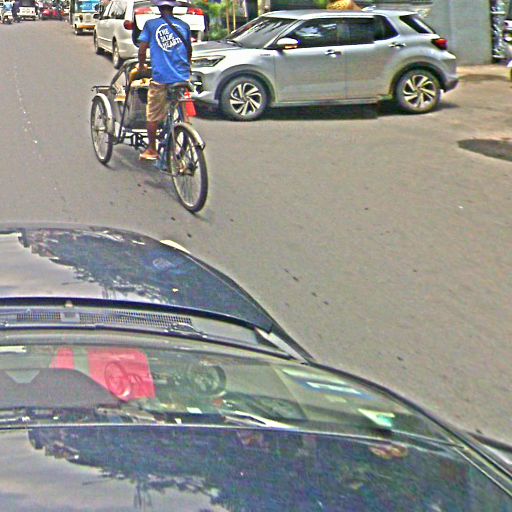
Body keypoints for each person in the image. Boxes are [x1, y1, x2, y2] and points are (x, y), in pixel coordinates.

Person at [136, 0, 192, 161]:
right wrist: (187, 68)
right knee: (181, 105)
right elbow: (189, 50)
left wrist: (142, 67)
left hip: (161, 77)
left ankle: (152, 149)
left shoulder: (151, 25)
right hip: (182, 77)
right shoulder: (184, 26)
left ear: (159, 8)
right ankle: (185, 124)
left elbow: (142, 50)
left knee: (153, 114)